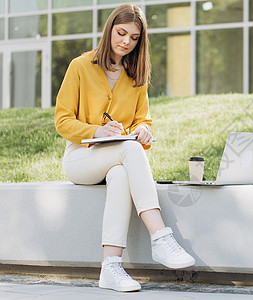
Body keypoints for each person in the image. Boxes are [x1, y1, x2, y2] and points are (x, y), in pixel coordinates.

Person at [54, 4, 195, 292]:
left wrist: (144, 130)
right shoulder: (80, 66)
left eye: (134, 38)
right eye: (121, 33)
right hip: (81, 159)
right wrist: (96, 130)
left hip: (116, 159)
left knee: (121, 173)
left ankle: (111, 267)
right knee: (131, 151)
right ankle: (160, 236)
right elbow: (62, 120)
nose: (126, 42)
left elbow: (143, 120)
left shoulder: (135, 77)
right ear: (109, 30)